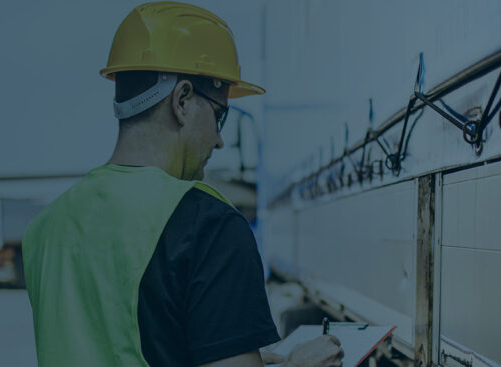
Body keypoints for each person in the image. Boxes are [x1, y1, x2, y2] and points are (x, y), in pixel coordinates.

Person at [22, 2, 343, 366]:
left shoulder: (45, 229)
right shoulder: (208, 225)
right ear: (183, 100)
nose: (219, 140)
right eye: (220, 115)